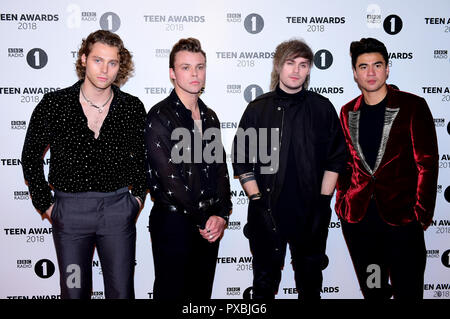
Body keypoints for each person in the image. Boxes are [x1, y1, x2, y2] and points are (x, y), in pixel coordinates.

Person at [21, 30, 147, 299]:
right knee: (74, 290)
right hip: (70, 218)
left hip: (117, 212)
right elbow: (31, 156)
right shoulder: (55, 105)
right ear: (83, 59)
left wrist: (135, 200)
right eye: (98, 60)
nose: (105, 70)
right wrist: (47, 206)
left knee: (122, 292)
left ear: (120, 66)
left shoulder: (131, 108)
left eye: (112, 63)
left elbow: (143, 160)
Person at [232, 39, 346, 300]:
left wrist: (322, 202)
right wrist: (257, 199)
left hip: (310, 214)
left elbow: (336, 159)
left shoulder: (321, 108)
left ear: (309, 70)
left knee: (310, 286)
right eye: (290, 63)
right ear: (278, 66)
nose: (296, 70)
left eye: (303, 64)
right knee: (263, 286)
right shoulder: (259, 109)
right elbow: (241, 158)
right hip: (267, 213)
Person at [335, 37, 439, 300]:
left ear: (387, 69)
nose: (371, 72)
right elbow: (346, 163)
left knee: (409, 292)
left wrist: (420, 214)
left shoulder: (413, 106)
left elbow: (427, 162)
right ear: (355, 74)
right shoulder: (348, 112)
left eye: (377, 65)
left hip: (403, 223)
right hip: (361, 225)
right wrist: (344, 201)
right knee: (374, 292)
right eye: (363, 66)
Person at [145, 38, 232, 300]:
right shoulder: (159, 116)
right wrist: (203, 219)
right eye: (185, 67)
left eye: (200, 67)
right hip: (173, 223)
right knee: (172, 294)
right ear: (172, 73)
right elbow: (169, 179)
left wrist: (222, 214)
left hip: (208, 225)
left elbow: (220, 169)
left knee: (200, 296)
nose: (194, 74)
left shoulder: (210, 116)